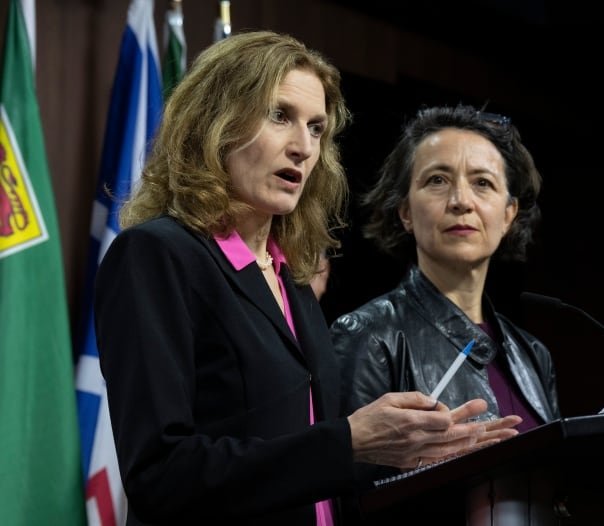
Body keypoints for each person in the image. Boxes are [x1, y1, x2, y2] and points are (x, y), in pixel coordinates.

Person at [93, 33, 521, 526]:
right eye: (280, 116)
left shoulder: (289, 277)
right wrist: (350, 441)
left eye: (317, 129)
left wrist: (409, 454)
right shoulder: (157, 256)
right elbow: (159, 476)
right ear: (217, 122)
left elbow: (307, 471)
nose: (303, 147)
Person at [330, 105, 561, 490]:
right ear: (405, 211)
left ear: (508, 215)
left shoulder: (533, 355)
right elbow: (344, 498)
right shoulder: (368, 337)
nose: (461, 201)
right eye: (437, 180)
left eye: (482, 183)